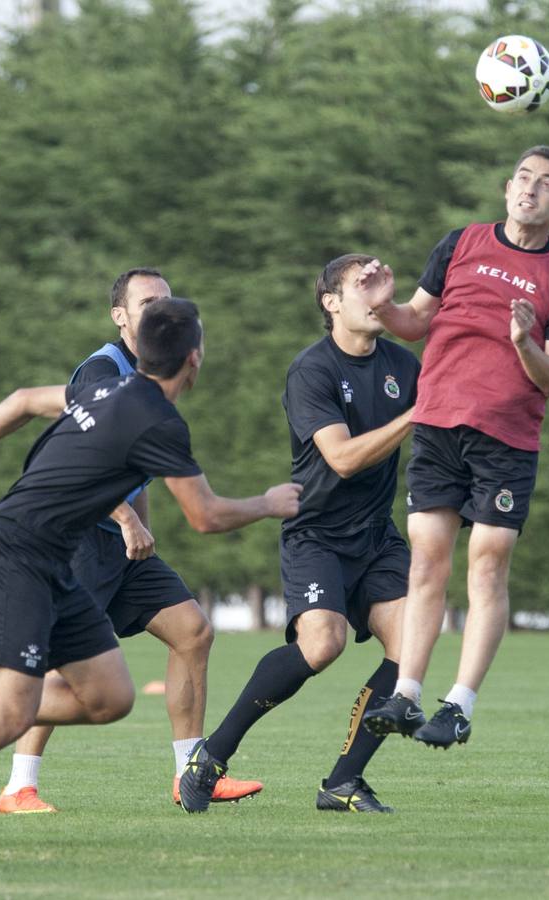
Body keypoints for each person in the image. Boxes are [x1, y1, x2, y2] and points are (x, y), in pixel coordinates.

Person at [0, 298, 300, 853]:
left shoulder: (109, 389)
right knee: (12, 710)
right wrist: (268, 502)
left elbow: (21, 401)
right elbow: (205, 515)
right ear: (195, 358)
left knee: (110, 697)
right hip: (14, 557)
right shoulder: (159, 420)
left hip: (50, 563)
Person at [0, 268, 261, 815]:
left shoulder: (154, 375)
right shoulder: (102, 369)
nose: (160, 308)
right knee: (62, 670)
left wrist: (141, 526)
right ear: (120, 316)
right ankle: (16, 781)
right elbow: (80, 456)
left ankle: (190, 774)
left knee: (193, 633)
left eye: (166, 300)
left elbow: (135, 469)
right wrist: (127, 519)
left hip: (124, 548)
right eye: (147, 301)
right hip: (81, 542)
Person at [362, 146, 549, 748]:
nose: (530, 189)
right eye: (523, 178)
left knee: (486, 563)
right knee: (427, 560)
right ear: (506, 187)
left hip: (508, 438)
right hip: (439, 424)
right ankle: (406, 694)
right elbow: (414, 322)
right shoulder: (460, 243)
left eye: (546, 185)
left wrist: (523, 343)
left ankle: (458, 704)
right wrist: (383, 305)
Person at [178, 255, 420, 814]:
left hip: (376, 536)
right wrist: (417, 415)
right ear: (330, 302)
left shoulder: (404, 366)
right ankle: (211, 756)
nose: (375, 294)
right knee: (322, 644)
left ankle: (342, 783)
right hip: (317, 533)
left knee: (412, 653)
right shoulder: (311, 369)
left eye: (382, 286)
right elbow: (340, 458)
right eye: (362, 285)